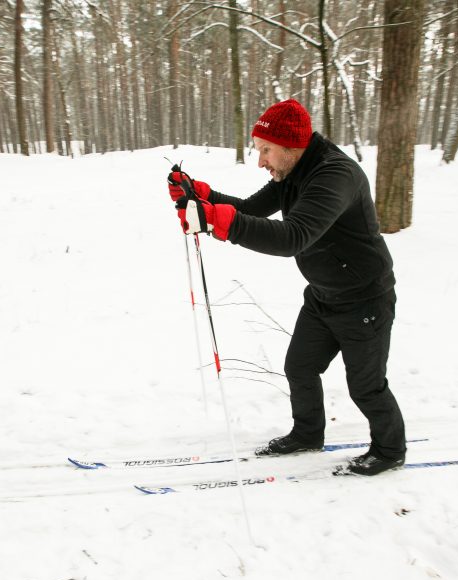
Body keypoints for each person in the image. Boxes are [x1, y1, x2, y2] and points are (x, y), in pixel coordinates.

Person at [167, 99, 406, 476]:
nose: (260, 160)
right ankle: (308, 434)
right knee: (300, 366)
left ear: (291, 146)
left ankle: (390, 450)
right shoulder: (294, 170)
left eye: (265, 150)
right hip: (323, 294)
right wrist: (200, 196)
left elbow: (294, 238)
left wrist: (218, 222)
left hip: (364, 299)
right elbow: (251, 209)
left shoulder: (334, 176)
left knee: (366, 386)